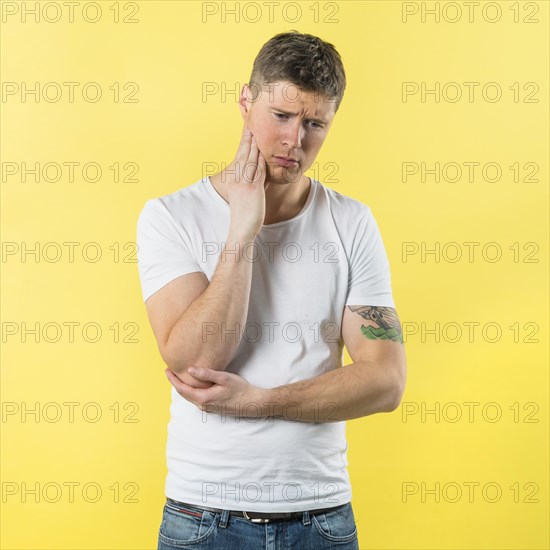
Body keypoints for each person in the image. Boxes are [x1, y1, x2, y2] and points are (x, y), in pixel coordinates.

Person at [136, 30, 406, 550]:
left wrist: (260, 402)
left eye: (314, 124)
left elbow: (386, 382)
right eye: (281, 116)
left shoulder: (352, 223)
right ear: (246, 100)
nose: (293, 141)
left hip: (321, 519)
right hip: (203, 517)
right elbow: (195, 359)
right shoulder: (171, 216)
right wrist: (243, 229)